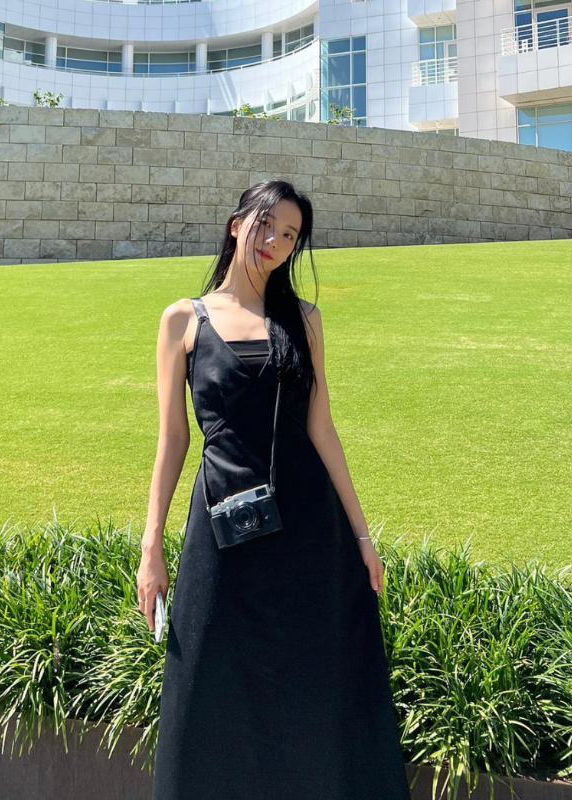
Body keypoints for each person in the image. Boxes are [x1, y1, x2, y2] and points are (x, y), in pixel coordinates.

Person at [136, 179, 410, 798]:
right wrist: (152, 546)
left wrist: (363, 537)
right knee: (202, 683)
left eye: (290, 236)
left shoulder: (303, 320)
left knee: (312, 686)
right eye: (268, 225)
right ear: (237, 223)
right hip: (220, 526)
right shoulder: (182, 319)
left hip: (309, 530)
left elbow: (322, 429)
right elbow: (173, 440)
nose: (277, 243)